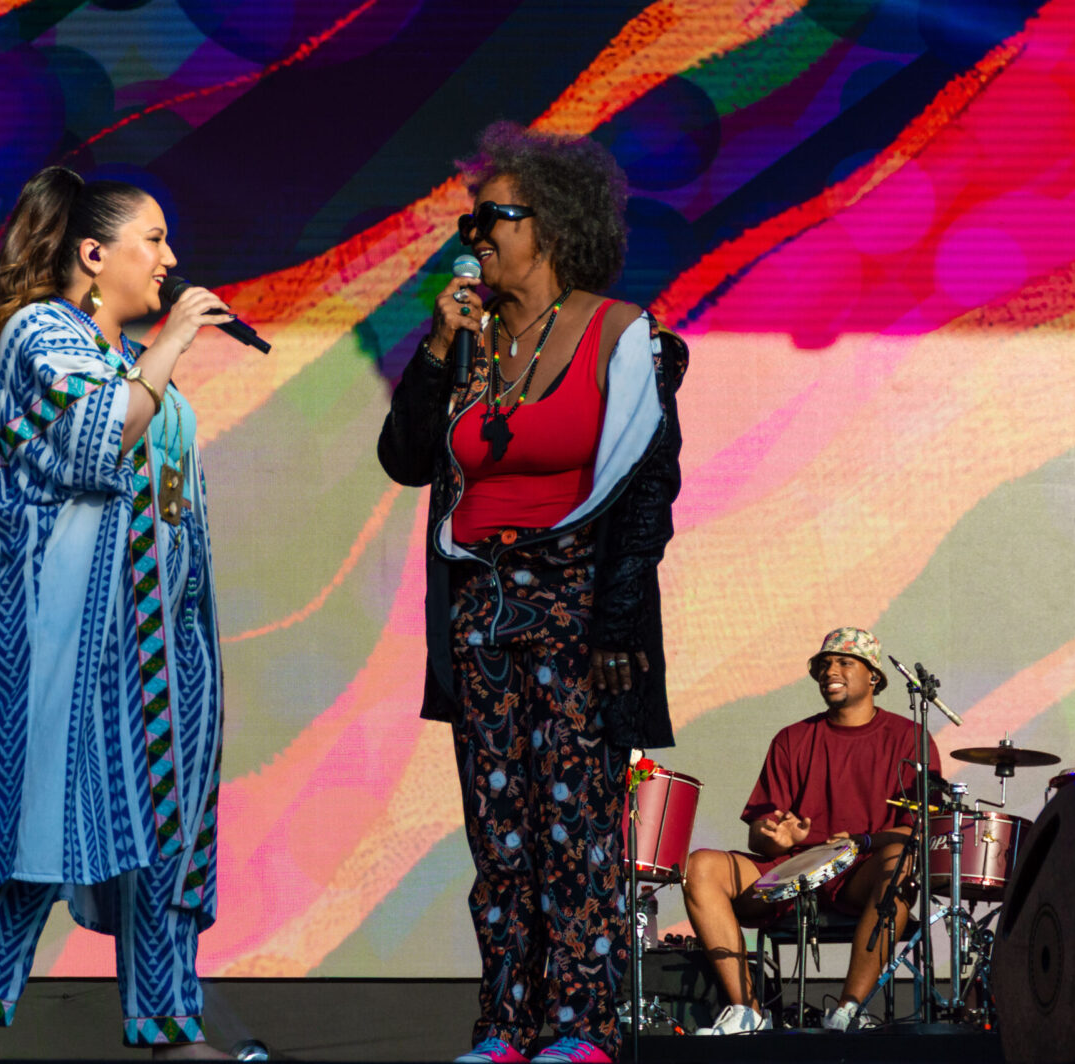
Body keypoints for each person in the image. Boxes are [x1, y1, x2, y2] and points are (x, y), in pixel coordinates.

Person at [377, 122, 687, 1064]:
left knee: (575, 830)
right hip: (482, 612)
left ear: (548, 229)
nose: (475, 234)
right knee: (498, 833)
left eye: (493, 218)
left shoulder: (622, 335)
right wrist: (435, 351)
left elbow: (648, 498)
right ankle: (503, 1025)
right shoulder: (468, 347)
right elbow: (404, 461)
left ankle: (580, 1028)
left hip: (577, 610)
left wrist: (618, 621)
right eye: (472, 219)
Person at [0, 166, 234, 1058]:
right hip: (64, 645)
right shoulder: (45, 332)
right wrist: (178, 336)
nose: (171, 260)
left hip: (157, 640)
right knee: (33, 831)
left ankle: (167, 1022)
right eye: (153, 239)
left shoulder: (117, 355)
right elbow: (100, 436)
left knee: (163, 834)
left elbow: (163, 480)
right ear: (93, 253)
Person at [682, 627, 942, 1034]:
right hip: (794, 871)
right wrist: (774, 837)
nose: (829, 671)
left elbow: (917, 832)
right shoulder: (793, 738)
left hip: (863, 871)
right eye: (823, 664)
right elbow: (759, 832)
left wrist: (864, 842)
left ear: (874, 675)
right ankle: (748, 1010)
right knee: (700, 866)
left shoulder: (908, 738)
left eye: (842, 662)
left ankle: (849, 1009)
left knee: (900, 861)